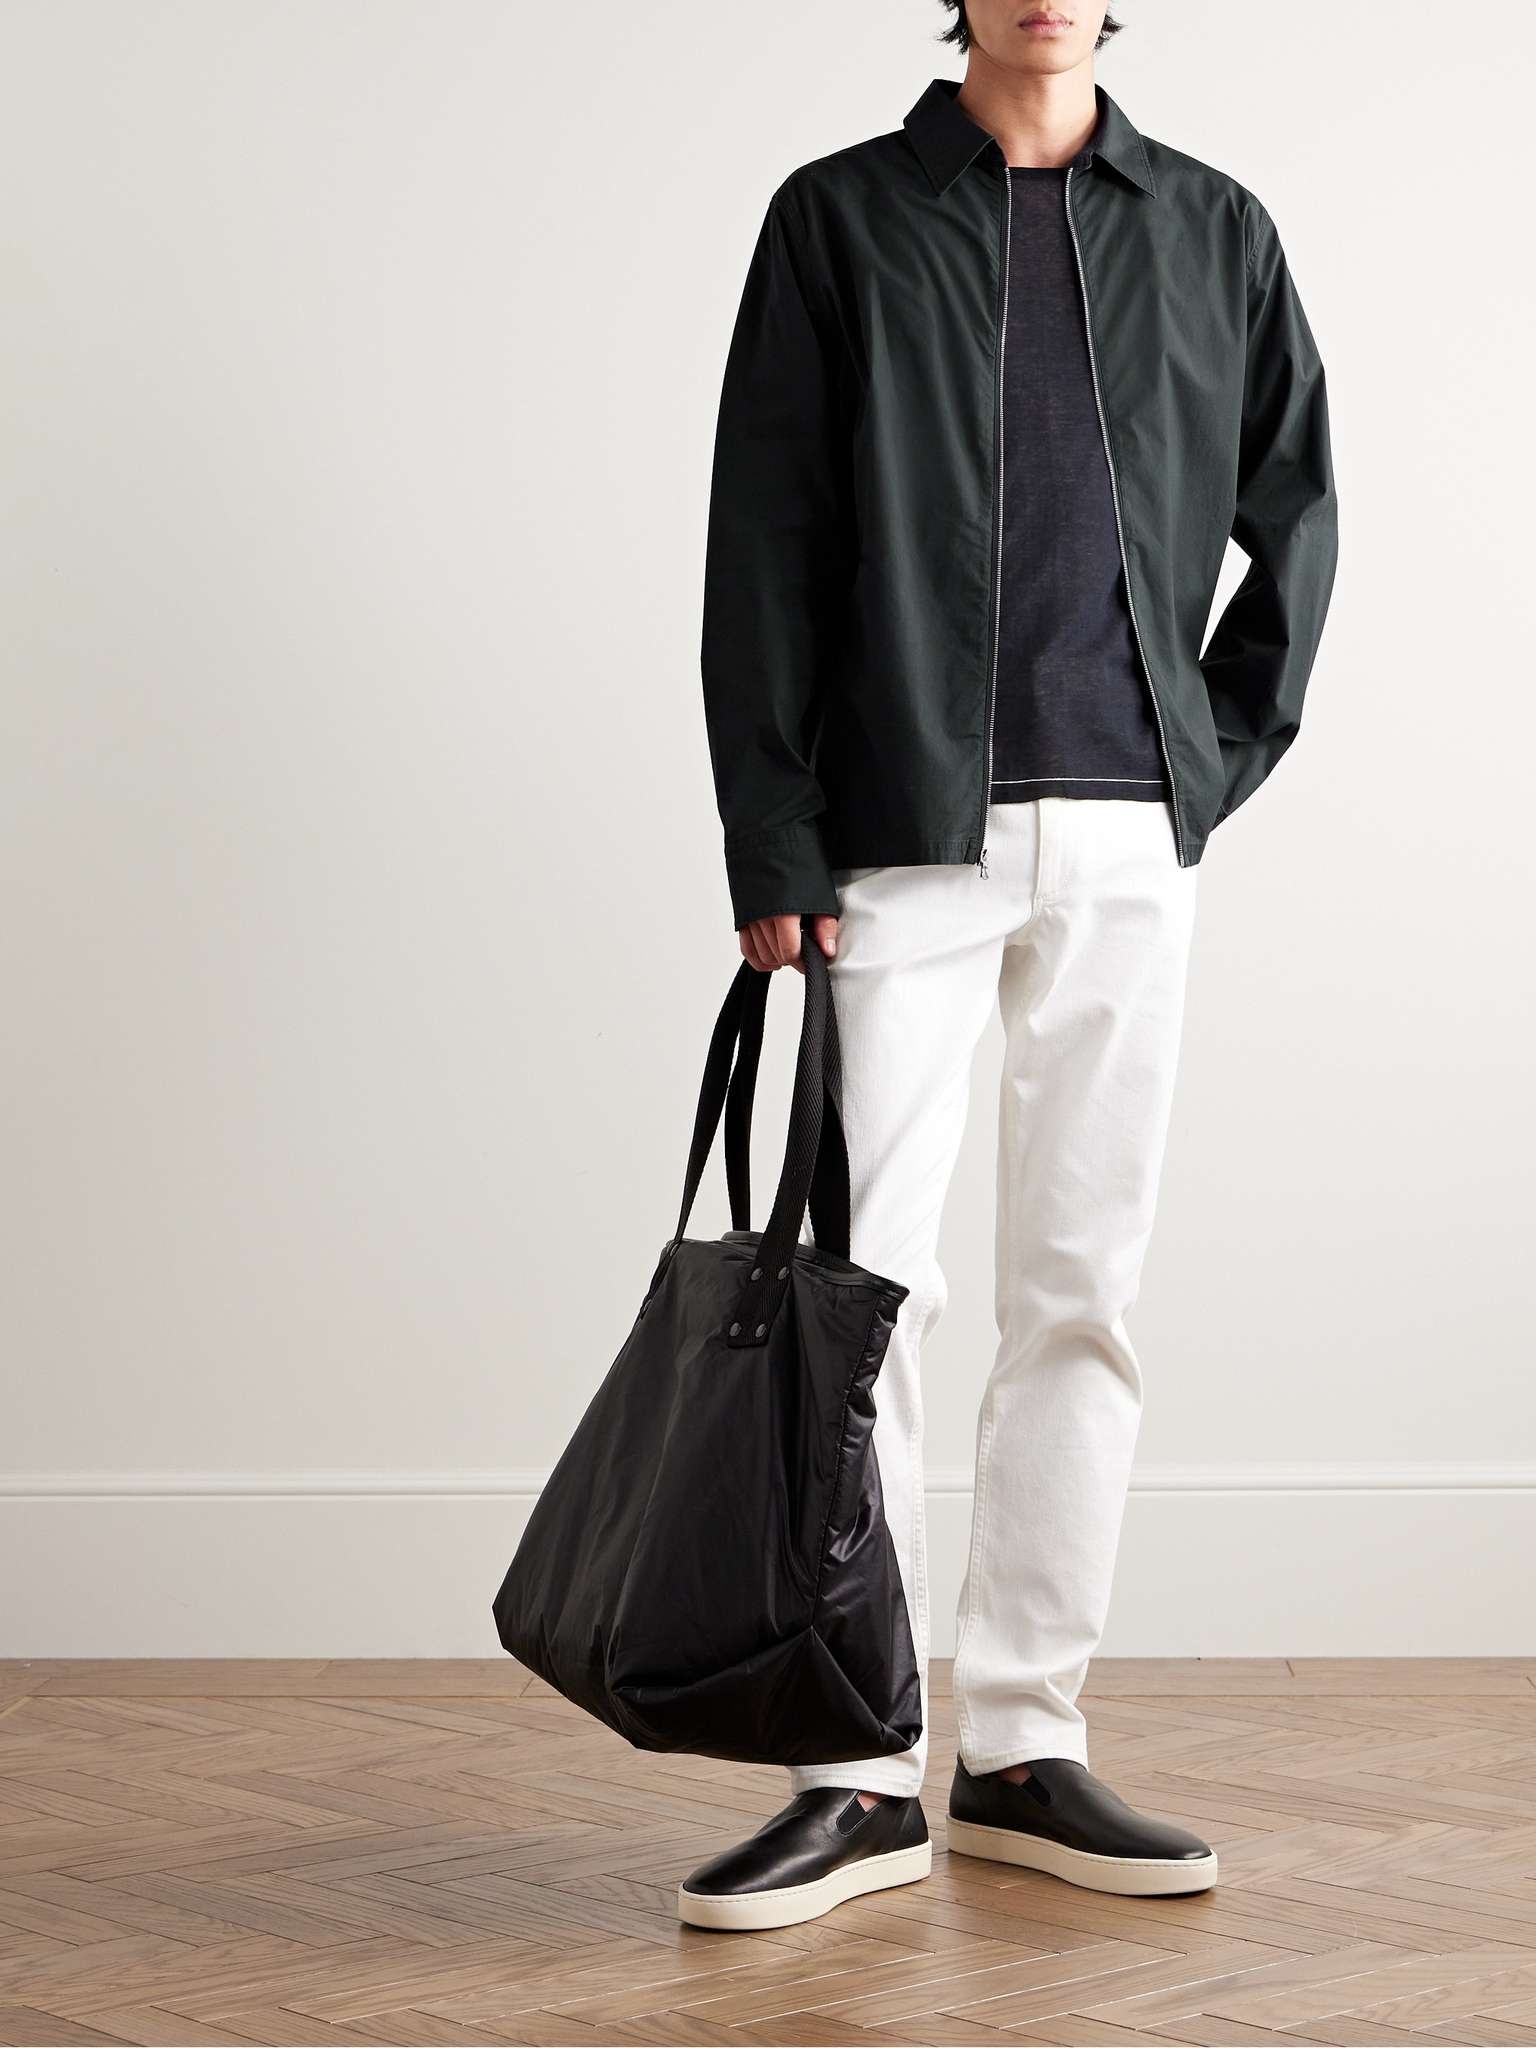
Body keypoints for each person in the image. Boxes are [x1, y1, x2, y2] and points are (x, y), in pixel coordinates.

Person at [678, 0, 1337, 1933]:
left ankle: (1026, 1742)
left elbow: (1295, 507)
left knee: (1083, 1293)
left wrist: (1209, 753)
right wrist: (775, 834)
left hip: (1130, 840)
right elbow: (762, 537)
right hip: (899, 835)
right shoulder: (841, 218)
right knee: (864, 1303)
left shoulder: (1212, 227)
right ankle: (859, 1763)